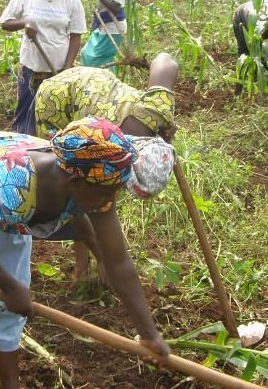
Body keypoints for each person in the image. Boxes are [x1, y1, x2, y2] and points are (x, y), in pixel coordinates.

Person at [0, 118, 170, 388]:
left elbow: (119, 262)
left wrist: (149, 335)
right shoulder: (16, 184)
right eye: (107, 193)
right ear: (74, 181)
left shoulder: (98, 180)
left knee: (11, 300)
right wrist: (7, 286)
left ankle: (10, 383)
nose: (109, 200)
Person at [34, 53, 178, 281]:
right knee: (76, 187)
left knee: (99, 197)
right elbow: (83, 198)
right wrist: (105, 258)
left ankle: (97, 261)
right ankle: (82, 267)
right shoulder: (102, 153)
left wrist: (166, 126)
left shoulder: (156, 110)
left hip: (97, 86)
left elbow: (166, 60)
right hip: (58, 97)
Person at [0, 0, 86, 135]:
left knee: (52, 113)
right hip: (30, 70)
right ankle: (22, 145)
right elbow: (5, 23)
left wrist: (67, 68)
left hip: (57, 72)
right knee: (25, 112)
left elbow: (76, 36)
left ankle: (47, 147)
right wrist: (25, 23)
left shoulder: (71, 0)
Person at [80, 0, 127, 68]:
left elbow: (115, 6)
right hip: (103, 24)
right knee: (86, 54)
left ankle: (105, 79)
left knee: (96, 60)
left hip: (112, 26)